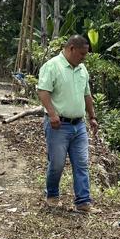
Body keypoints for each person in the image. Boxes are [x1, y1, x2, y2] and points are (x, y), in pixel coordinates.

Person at [36, 34, 99, 212]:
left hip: (79, 125)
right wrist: (52, 114)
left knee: (81, 163)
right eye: (82, 54)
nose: (84, 58)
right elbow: (43, 91)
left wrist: (92, 117)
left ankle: (83, 202)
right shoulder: (52, 66)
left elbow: (87, 94)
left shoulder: (82, 69)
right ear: (71, 49)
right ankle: (52, 195)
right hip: (58, 125)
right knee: (57, 163)